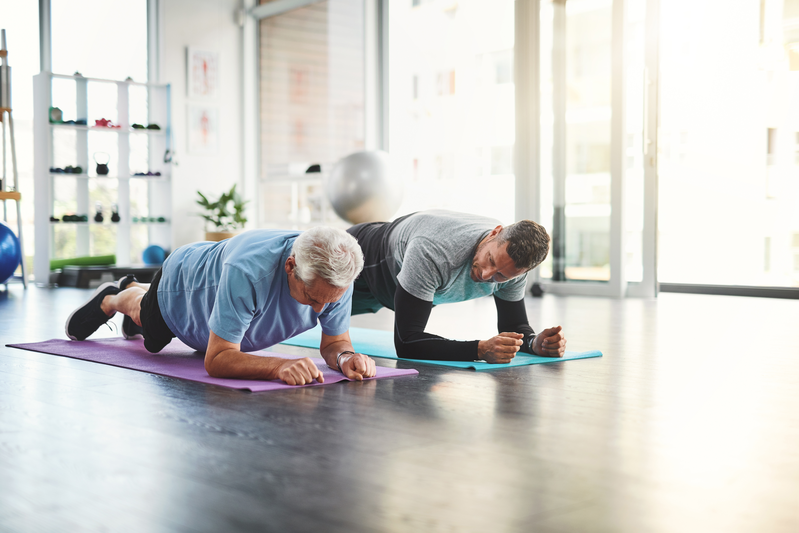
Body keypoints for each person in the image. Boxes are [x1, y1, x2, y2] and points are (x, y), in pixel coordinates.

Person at [65, 227, 377, 385]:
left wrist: (345, 357)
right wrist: (278, 366)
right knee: (152, 331)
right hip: (184, 283)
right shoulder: (249, 272)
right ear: (290, 267)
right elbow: (217, 360)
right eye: (312, 300)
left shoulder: (335, 275)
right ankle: (121, 293)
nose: (321, 310)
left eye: (330, 301)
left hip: (226, 291)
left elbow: (335, 342)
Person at [347, 210, 567, 364]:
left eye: (500, 275)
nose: (486, 275)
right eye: (490, 259)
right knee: (313, 311)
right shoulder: (433, 251)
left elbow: (515, 326)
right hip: (363, 259)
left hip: (396, 285)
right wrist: (480, 349)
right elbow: (406, 343)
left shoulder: (513, 272)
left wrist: (534, 343)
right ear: (494, 232)